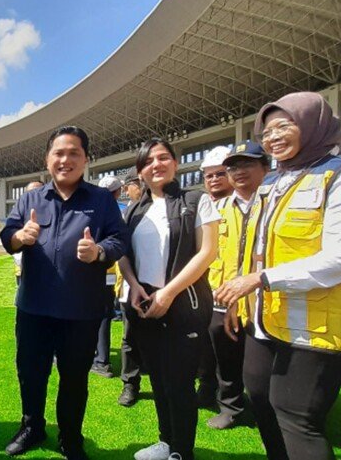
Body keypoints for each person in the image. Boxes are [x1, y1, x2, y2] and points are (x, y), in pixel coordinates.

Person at [216, 92, 341, 460]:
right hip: (267, 319)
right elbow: (254, 250)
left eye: (284, 126)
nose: (274, 137)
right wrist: (242, 299)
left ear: (313, 125)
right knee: (260, 396)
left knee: (297, 417)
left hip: (318, 327)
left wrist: (261, 280)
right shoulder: (276, 184)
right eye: (267, 131)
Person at [0, 126, 129, 460]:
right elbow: (7, 234)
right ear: (47, 159)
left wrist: (98, 251)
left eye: (74, 152)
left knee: (74, 379)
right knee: (31, 373)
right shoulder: (31, 197)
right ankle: (32, 426)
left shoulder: (100, 200)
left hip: (80, 310)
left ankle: (70, 436)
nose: (65, 159)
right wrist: (20, 237)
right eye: (59, 152)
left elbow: (119, 240)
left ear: (86, 158)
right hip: (33, 307)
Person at [119, 138, 219, 460]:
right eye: (148, 161)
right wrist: (134, 285)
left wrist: (169, 292)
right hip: (145, 306)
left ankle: (182, 451)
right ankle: (166, 441)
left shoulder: (196, 200)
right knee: (159, 379)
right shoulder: (135, 209)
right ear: (140, 172)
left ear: (175, 163)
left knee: (179, 383)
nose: (156, 165)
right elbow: (123, 254)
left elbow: (207, 252)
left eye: (163, 158)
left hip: (184, 305)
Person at [203, 141, 269, 429]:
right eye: (232, 167)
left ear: (265, 168)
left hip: (266, 299)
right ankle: (231, 407)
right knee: (226, 359)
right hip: (223, 297)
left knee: (262, 364)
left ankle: (265, 408)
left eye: (247, 164)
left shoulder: (274, 204)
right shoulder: (217, 210)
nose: (238, 172)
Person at [196, 146, 234, 409]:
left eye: (220, 173)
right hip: (203, 291)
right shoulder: (200, 205)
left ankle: (230, 402)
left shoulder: (244, 205)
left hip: (231, 291)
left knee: (228, 352)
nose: (214, 179)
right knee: (204, 350)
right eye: (209, 175)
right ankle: (206, 390)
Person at [90, 174, 124, 378]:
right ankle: (101, 359)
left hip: (93, 272)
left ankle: (99, 359)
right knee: (104, 315)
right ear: (118, 192)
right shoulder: (121, 210)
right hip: (111, 272)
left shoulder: (94, 211)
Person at [118, 167, 146, 407]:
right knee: (130, 339)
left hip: (163, 287)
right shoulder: (127, 213)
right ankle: (130, 383)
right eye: (135, 183)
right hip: (131, 286)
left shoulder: (168, 207)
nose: (139, 186)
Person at [13, 181, 45, 286]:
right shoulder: (19, 214)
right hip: (25, 270)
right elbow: (9, 237)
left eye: (39, 191)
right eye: (31, 192)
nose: (35, 195)